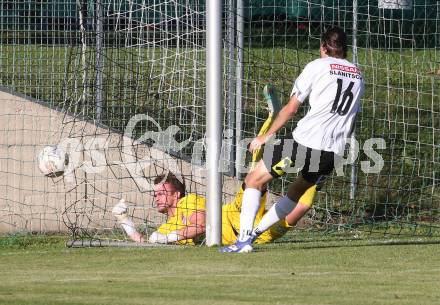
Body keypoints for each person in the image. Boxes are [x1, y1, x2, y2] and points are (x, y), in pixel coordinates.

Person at [112, 85, 318, 245]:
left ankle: (273, 118)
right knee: (302, 206)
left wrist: (165, 238)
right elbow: (146, 242)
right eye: (155, 193)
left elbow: (201, 224)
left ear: (176, 195)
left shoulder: (187, 202)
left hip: (235, 215)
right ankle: (318, 161)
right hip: (259, 236)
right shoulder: (168, 226)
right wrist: (123, 219)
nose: (156, 197)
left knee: (256, 171)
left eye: (161, 192)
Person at [220, 26, 365, 253]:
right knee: (295, 193)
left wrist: (264, 136)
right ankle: (254, 235)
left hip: (304, 143)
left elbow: (290, 109)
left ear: (323, 47)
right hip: (332, 150)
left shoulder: (317, 66)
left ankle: (244, 241)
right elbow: (353, 116)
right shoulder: (357, 74)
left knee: (253, 180)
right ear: (345, 49)